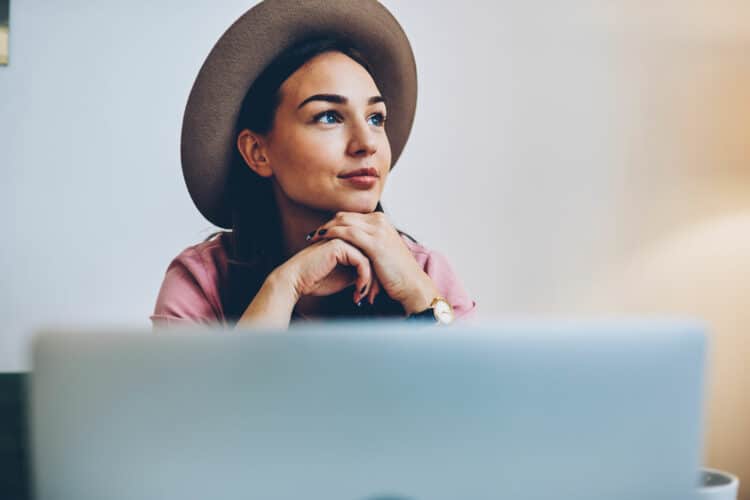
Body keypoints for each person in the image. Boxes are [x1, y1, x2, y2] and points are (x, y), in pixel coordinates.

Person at [151, 0, 476, 328]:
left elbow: (474, 379)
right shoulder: (203, 280)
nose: (367, 143)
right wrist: (285, 285)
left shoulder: (424, 271)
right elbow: (195, 383)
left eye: (376, 118)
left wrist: (418, 293)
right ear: (257, 152)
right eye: (329, 116)